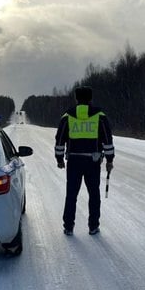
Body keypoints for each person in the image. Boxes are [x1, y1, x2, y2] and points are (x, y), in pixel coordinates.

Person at [54, 86, 114, 235]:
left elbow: (60, 139)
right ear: (90, 98)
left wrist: (59, 158)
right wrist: (109, 159)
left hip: (74, 161)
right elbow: (107, 139)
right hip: (93, 161)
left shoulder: (67, 116)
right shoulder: (100, 116)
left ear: (76, 98)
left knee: (71, 194)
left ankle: (68, 226)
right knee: (94, 194)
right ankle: (93, 226)